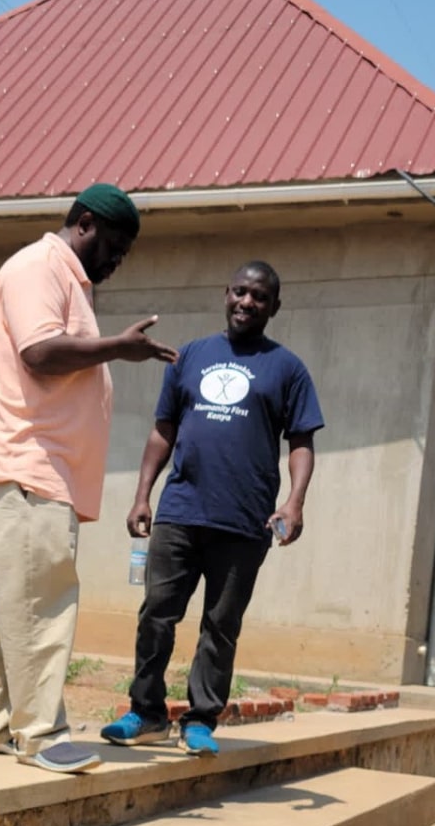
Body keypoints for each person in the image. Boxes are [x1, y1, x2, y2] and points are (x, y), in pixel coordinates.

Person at [0, 183, 177, 773]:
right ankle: (43, 735)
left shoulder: (66, 279)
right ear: (85, 224)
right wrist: (116, 348)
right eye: (114, 246)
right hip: (23, 463)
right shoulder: (39, 267)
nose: (117, 260)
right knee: (40, 606)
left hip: (24, 466)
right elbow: (40, 353)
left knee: (7, 610)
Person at [102, 262, 320, 757]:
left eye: (259, 296)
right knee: (156, 614)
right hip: (181, 510)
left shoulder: (288, 369)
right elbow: (164, 430)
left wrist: (294, 501)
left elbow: (302, 441)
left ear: (274, 307)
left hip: (245, 520)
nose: (247, 302)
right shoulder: (191, 356)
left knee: (221, 626)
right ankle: (146, 713)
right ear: (226, 294)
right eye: (240, 291)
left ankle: (200, 720)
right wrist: (142, 494)